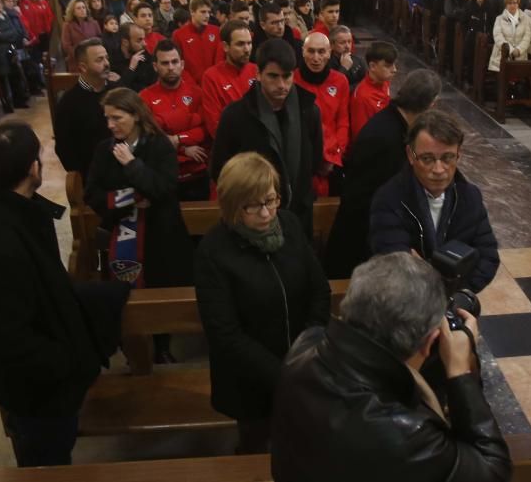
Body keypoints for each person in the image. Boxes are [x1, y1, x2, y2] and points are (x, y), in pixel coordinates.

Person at [270, 252, 510, 482]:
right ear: (429, 343)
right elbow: (491, 470)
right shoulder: (405, 435)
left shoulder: (305, 347)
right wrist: (460, 372)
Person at [0, 122, 104, 466]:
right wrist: (68, 361)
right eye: (40, 155)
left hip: (49, 380)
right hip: (38, 393)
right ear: (32, 168)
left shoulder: (18, 209)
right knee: (46, 463)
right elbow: (12, 336)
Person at [195, 152, 330, 454]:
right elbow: (225, 333)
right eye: (253, 205)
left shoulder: (291, 225)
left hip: (304, 365)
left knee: (303, 444)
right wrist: (283, 373)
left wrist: (307, 348)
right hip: (250, 382)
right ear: (231, 205)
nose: (267, 213)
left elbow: (318, 290)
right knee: (256, 448)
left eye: (270, 200)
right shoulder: (213, 251)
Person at [85, 88, 193, 361]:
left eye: (117, 118)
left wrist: (133, 165)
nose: (110, 125)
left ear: (135, 115)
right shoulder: (103, 149)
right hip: (121, 232)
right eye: (107, 118)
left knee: (159, 288)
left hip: (159, 234)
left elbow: (165, 188)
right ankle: (131, 342)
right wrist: (131, 198)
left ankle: (162, 344)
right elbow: (92, 194)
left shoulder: (158, 146)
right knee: (125, 290)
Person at [327, 69, 442, 278]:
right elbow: (375, 200)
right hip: (361, 248)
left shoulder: (395, 123)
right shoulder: (386, 137)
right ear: (431, 104)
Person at [370, 110, 500, 292]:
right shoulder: (389, 198)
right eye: (427, 159)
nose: (439, 170)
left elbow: (488, 257)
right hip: (404, 304)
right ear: (410, 154)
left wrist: (460, 296)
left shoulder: (470, 196)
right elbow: (397, 266)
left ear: (458, 154)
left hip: (457, 299)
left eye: (447, 158)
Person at [210, 39, 325, 239]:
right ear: (258, 74)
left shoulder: (309, 111)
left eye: (287, 76)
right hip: (252, 219)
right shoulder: (236, 115)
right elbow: (220, 169)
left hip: (297, 215)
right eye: (273, 76)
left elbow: (313, 162)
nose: (281, 85)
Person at [140, 40, 211, 201]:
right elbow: (149, 136)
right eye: (165, 63)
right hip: (161, 176)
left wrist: (177, 139)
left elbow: (204, 130)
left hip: (196, 173)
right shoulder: (144, 97)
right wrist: (183, 148)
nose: (171, 67)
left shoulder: (197, 93)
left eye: (174, 62)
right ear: (155, 66)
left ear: (182, 64)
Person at [295, 32, 350, 196]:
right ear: (303, 52)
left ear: (330, 52)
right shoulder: (292, 80)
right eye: (311, 51)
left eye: (321, 51)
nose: (316, 57)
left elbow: (343, 121)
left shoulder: (340, 81)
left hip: (332, 160)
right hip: (302, 160)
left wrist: (334, 157)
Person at [54, 40, 115, 179]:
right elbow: (64, 148)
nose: (106, 63)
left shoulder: (117, 90)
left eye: (107, 58)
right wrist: (85, 177)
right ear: (83, 67)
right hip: (93, 177)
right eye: (99, 60)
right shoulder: (68, 102)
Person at [201, 19, 258, 139]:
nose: (247, 49)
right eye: (240, 44)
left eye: (249, 43)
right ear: (225, 47)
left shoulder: (257, 71)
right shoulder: (211, 77)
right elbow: (215, 126)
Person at [172, 0, 224, 86]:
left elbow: (219, 61)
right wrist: (190, 85)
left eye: (209, 12)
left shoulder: (216, 31)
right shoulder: (179, 35)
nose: (207, 15)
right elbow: (178, 63)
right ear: (192, 12)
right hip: (189, 87)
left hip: (213, 84)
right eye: (203, 12)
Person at [350, 41, 398, 140]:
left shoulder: (384, 81)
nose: (394, 69)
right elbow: (361, 136)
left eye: (394, 64)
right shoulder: (362, 98)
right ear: (372, 66)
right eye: (388, 66)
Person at [488, 0, 531, 71]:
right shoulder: (499, 19)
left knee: (519, 77)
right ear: (506, 5)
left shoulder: (525, 18)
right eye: (509, 3)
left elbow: (527, 36)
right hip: (502, 55)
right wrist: (510, 50)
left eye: (515, 3)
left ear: (518, 4)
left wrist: (519, 49)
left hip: (520, 55)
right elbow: (498, 36)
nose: (512, 5)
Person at [109, 22, 156, 92]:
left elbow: (151, 86)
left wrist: (123, 79)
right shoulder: (113, 59)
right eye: (139, 40)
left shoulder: (145, 55)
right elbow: (118, 91)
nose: (145, 44)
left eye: (144, 39)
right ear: (125, 42)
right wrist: (131, 69)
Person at [61, 0, 103, 70]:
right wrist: (81, 55)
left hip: (94, 59)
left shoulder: (94, 23)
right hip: (76, 61)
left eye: (84, 7)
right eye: (78, 8)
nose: (82, 10)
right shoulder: (67, 25)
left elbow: (100, 40)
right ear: (73, 12)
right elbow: (66, 46)